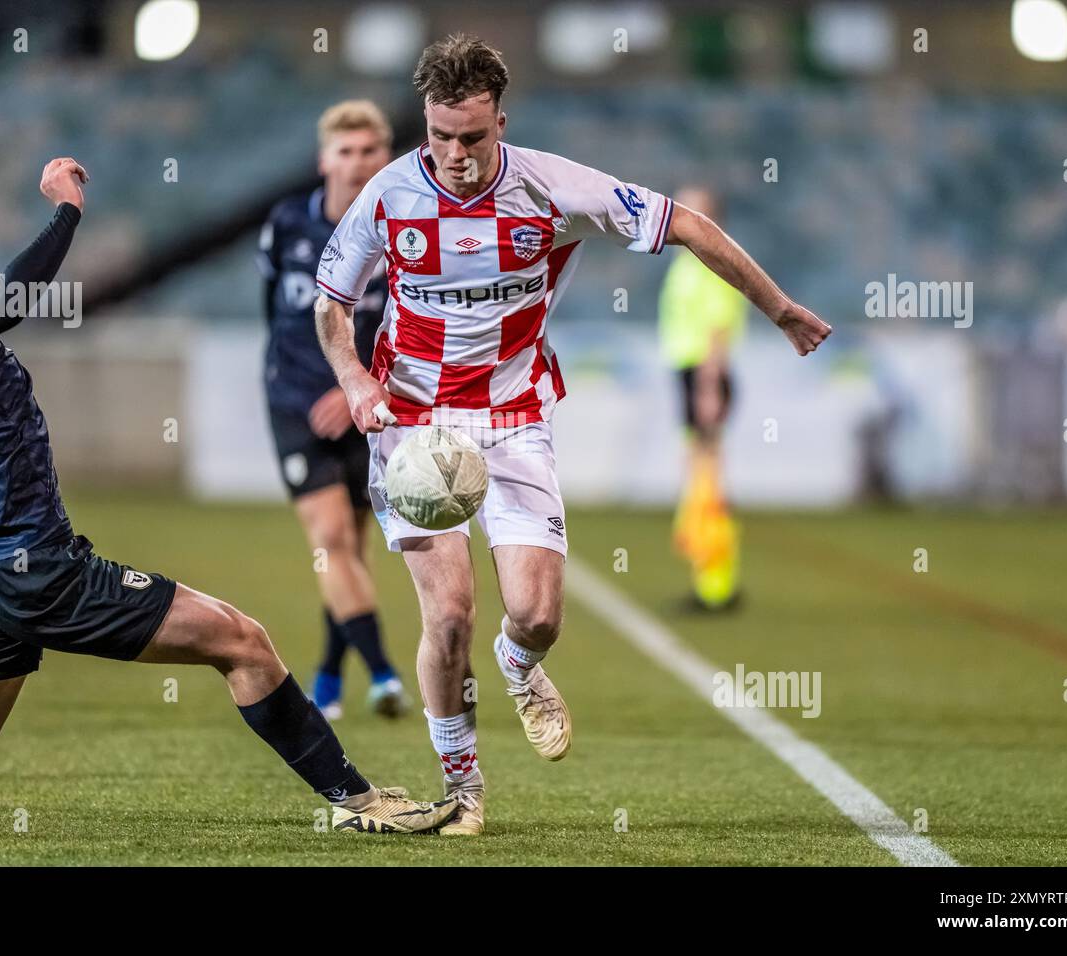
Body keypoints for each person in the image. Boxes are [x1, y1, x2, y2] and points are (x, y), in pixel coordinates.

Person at [0, 163, 454, 835]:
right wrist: (66, 213)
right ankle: (360, 802)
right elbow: (14, 299)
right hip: (36, 570)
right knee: (242, 642)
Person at [314, 35, 831, 835]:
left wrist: (782, 308)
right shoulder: (386, 196)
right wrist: (355, 381)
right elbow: (331, 305)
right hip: (414, 425)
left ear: (501, 122)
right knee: (448, 615)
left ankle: (519, 667)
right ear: (425, 123)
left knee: (538, 613)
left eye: (473, 138)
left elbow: (688, 225)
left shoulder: (553, 188)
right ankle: (465, 789)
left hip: (515, 417)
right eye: (440, 136)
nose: (454, 155)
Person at [257, 101, 409, 720]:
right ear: (324, 159)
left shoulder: (400, 231)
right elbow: (277, 312)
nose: (357, 163)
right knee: (330, 538)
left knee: (351, 548)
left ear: (387, 156)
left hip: (367, 404)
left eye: (370, 150)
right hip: (296, 402)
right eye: (345, 151)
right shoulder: (287, 224)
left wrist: (359, 388)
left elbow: (410, 325)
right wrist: (311, 379)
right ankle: (382, 673)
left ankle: (325, 676)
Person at [658, 187, 747, 610]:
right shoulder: (689, 260)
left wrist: (710, 388)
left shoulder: (713, 261)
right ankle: (708, 576)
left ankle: (716, 586)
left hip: (704, 376)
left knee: (707, 478)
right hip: (693, 375)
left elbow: (718, 329)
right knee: (699, 475)